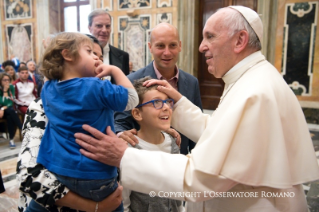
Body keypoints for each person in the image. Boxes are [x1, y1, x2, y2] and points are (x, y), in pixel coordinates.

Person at [74, 6, 319, 211]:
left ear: (240, 40)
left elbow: (200, 177)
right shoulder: (251, 79)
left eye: (210, 36)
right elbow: (223, 135)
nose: (201, 46)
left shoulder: (255, 91)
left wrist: (124, 156)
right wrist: (178, 103)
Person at [30, 32, 138, 212]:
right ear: (67, 55)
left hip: (58, 171)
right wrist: (115, 70)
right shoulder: (97, 87)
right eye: (89, 51)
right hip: (96, 174)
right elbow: (132, 100)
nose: (96, 56)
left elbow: (50, 76)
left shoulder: (48, 89)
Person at [114, 22, 202, 155]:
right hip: (145, 158)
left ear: (180, 46)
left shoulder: (191, 82)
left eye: (172, 45)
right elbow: (120, 121)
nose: (167, 52)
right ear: (150, 47)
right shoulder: (131, 81)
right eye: (160, 46)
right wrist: (121, 133)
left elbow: (197, 124)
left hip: (179, 161)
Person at [122, 76, 182, 212]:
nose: (166, 107)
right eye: (157, 102)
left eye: (167, 101)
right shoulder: (130, 150)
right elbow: (123, 202)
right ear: (137, 113)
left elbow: (177, 191)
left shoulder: (173, 143)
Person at [88, 9, 130, 81]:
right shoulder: (81, 55)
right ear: (89, 28)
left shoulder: (123, 56)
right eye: (99, 26)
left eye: (107, 26)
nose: (104, 30)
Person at [0, 73, 22, 148]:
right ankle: (21, 128)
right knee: (11, 112)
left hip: (7, 110)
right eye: (4, 80)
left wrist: (3, 108)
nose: (7, 82)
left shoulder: (12, 87)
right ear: (0, 81)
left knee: (10, 114)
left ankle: (11, 140)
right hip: (1, 110)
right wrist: (4, 91)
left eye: (8, 80)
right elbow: (1, 102)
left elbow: (10, 102)